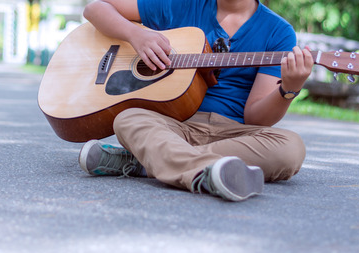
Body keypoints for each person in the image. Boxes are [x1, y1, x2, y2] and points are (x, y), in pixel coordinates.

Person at [78, 0, 314, 201]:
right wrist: (136, 34)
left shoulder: (278, 32)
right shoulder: (182, 4)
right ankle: (207, 171)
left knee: (291, 148)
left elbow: (256, 117)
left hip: (234, 134)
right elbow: (96, 7)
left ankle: (146, 161)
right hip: (174, 124)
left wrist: (288, 90)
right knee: (127, 119)